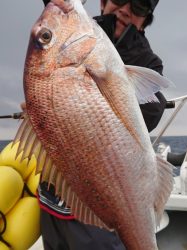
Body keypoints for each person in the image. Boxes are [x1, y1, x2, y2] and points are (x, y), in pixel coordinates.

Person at [37, 0, 169, 249]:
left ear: (145, 19)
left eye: (139, 7)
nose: (125, 9)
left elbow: (151, 111)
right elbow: (58, 11)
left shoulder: (146, 59)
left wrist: (112, 79)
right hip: (52, 201)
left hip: (99, 214)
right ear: (102, 2)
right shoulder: (77, 31)